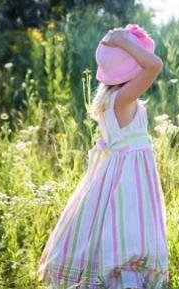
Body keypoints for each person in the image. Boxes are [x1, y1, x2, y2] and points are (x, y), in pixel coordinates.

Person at [37, 24, 169, 289]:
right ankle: (125, 275)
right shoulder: (124, 98)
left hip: (116, 167)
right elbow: (155, 66)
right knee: (129, 223)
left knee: (107, 221)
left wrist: (121, 43)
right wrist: (123, 40)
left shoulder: (111, 97)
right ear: (131, 68)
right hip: (130, 173)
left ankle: (105, 269)